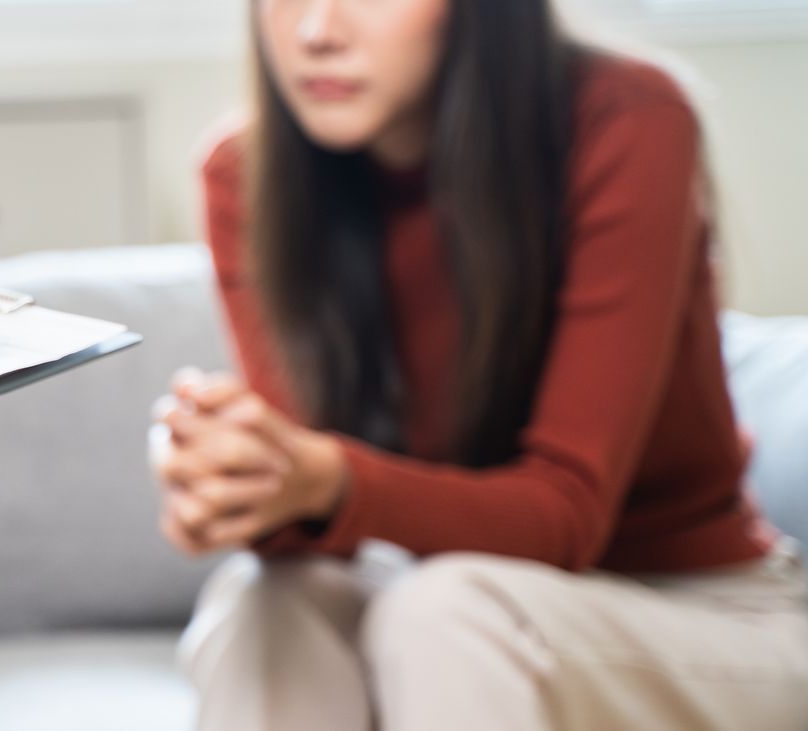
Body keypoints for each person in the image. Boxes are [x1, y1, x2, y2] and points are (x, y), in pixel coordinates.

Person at [152, 0, 808, 728]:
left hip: (700, 606)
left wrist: (323, 479)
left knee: (444, 612)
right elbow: (316, 514)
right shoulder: (247, 174)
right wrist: (239, 487)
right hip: (456, 602)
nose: (316, 31)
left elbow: (565, 514)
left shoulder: (630, 118)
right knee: (263, 602)